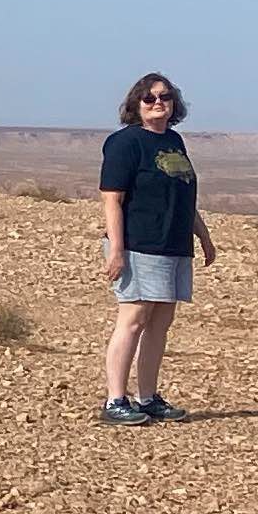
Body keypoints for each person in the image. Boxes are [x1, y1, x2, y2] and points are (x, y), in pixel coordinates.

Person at [98, 73, 214, 424]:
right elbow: (112, 200)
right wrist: (117, 250)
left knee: (161, 323)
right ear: (136, 104)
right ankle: (115, 399)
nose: (157, 102)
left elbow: (182, 194)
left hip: (173, 246)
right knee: (132, 320)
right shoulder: (125, 143)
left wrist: (203, 236)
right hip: (140, 245)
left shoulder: (175, 141)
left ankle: (147, 396)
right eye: (148, 98)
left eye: (164, 97)